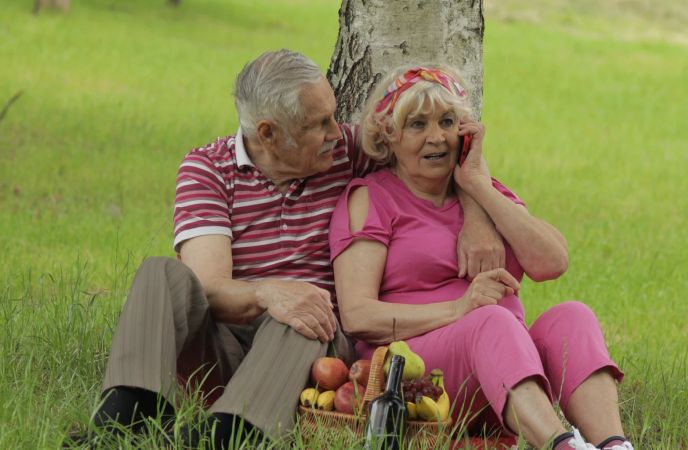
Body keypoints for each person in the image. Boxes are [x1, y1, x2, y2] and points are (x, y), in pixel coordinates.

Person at [65, 50, 504, 448]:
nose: (338, 131)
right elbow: (210, 288)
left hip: (308, 354)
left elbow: (444, 157)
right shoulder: (208, 169)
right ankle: (126, 419)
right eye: (319, 125)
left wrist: (477, 216)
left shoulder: (348, 152)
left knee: (305, 313)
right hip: (223, 347)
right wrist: (267, 293)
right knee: (162, 272)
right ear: (268, 134)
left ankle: (228, 435)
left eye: (333, 116)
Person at [330, 65, 633, 450]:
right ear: (388, 135)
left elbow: (552, 261)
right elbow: (357, 315)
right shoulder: (371, 198)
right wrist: (461, 308)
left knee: (572, 316)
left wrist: (477, 185)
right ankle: (562, 446)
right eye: (417, 125)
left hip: (506, 371)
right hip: (418, 375)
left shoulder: (482, 192)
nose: (436, 136)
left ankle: (614, 445)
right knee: (491, 320)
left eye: (447, 121)